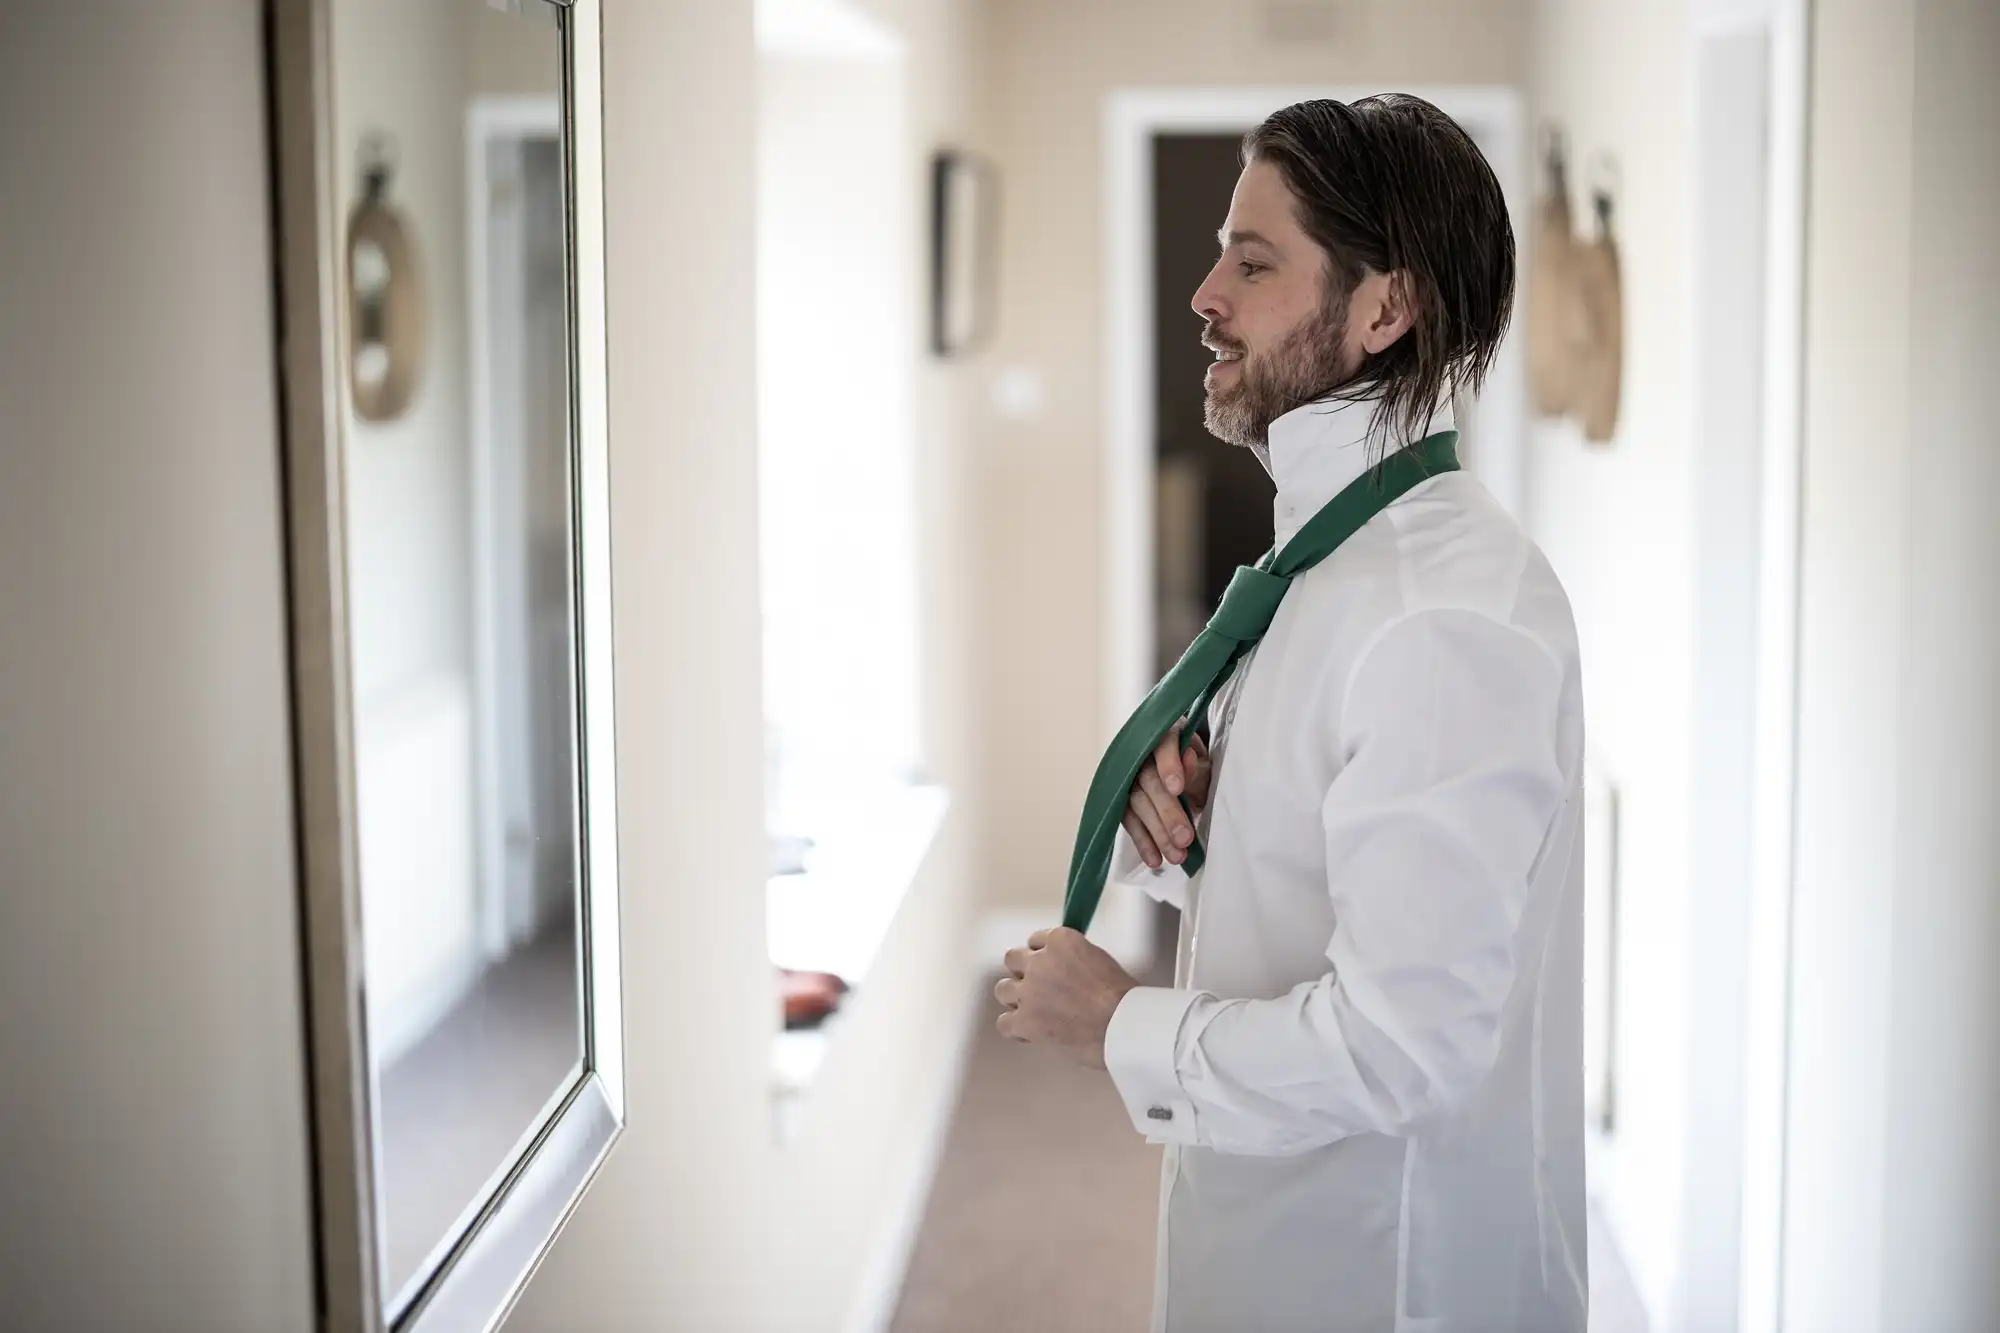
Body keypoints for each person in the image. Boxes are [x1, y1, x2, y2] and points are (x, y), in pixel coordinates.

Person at [995, 95, 1587, 1333]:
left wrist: (1120, 1023)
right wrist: (1194, 827)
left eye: (1252, 262)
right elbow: (1315, 883)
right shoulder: (1330, 567)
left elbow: (1399, 1046)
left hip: (1378, 1284)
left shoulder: (1438, 622)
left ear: (1384, 308)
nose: (1204, 294)